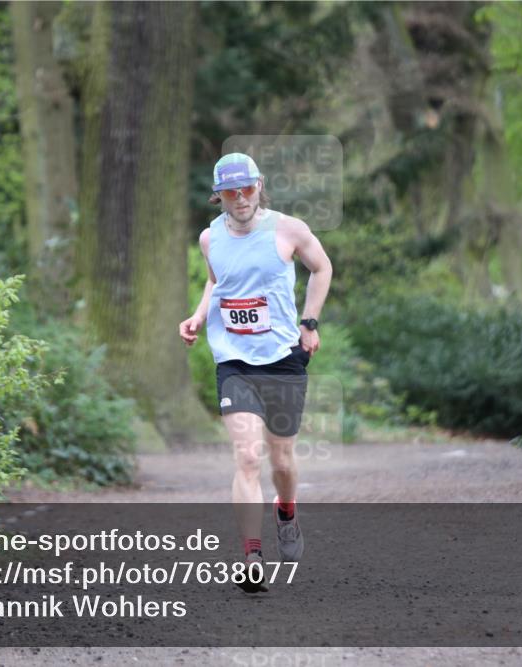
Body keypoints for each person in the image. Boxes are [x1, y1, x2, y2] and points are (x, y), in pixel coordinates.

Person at [178, 153, 333, 593]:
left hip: (283, 357)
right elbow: (216, 282)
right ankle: (251, 555)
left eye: (247, 188)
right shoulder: (210, 239)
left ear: (259, 185)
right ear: (219, 195)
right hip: (234, 360)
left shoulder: (288, 229)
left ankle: (287, 509)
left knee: (281, 459)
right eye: (231, 191)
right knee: (248, 456)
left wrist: (310, 322)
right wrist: (198, 315)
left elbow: (321, 268)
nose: (241, 198)